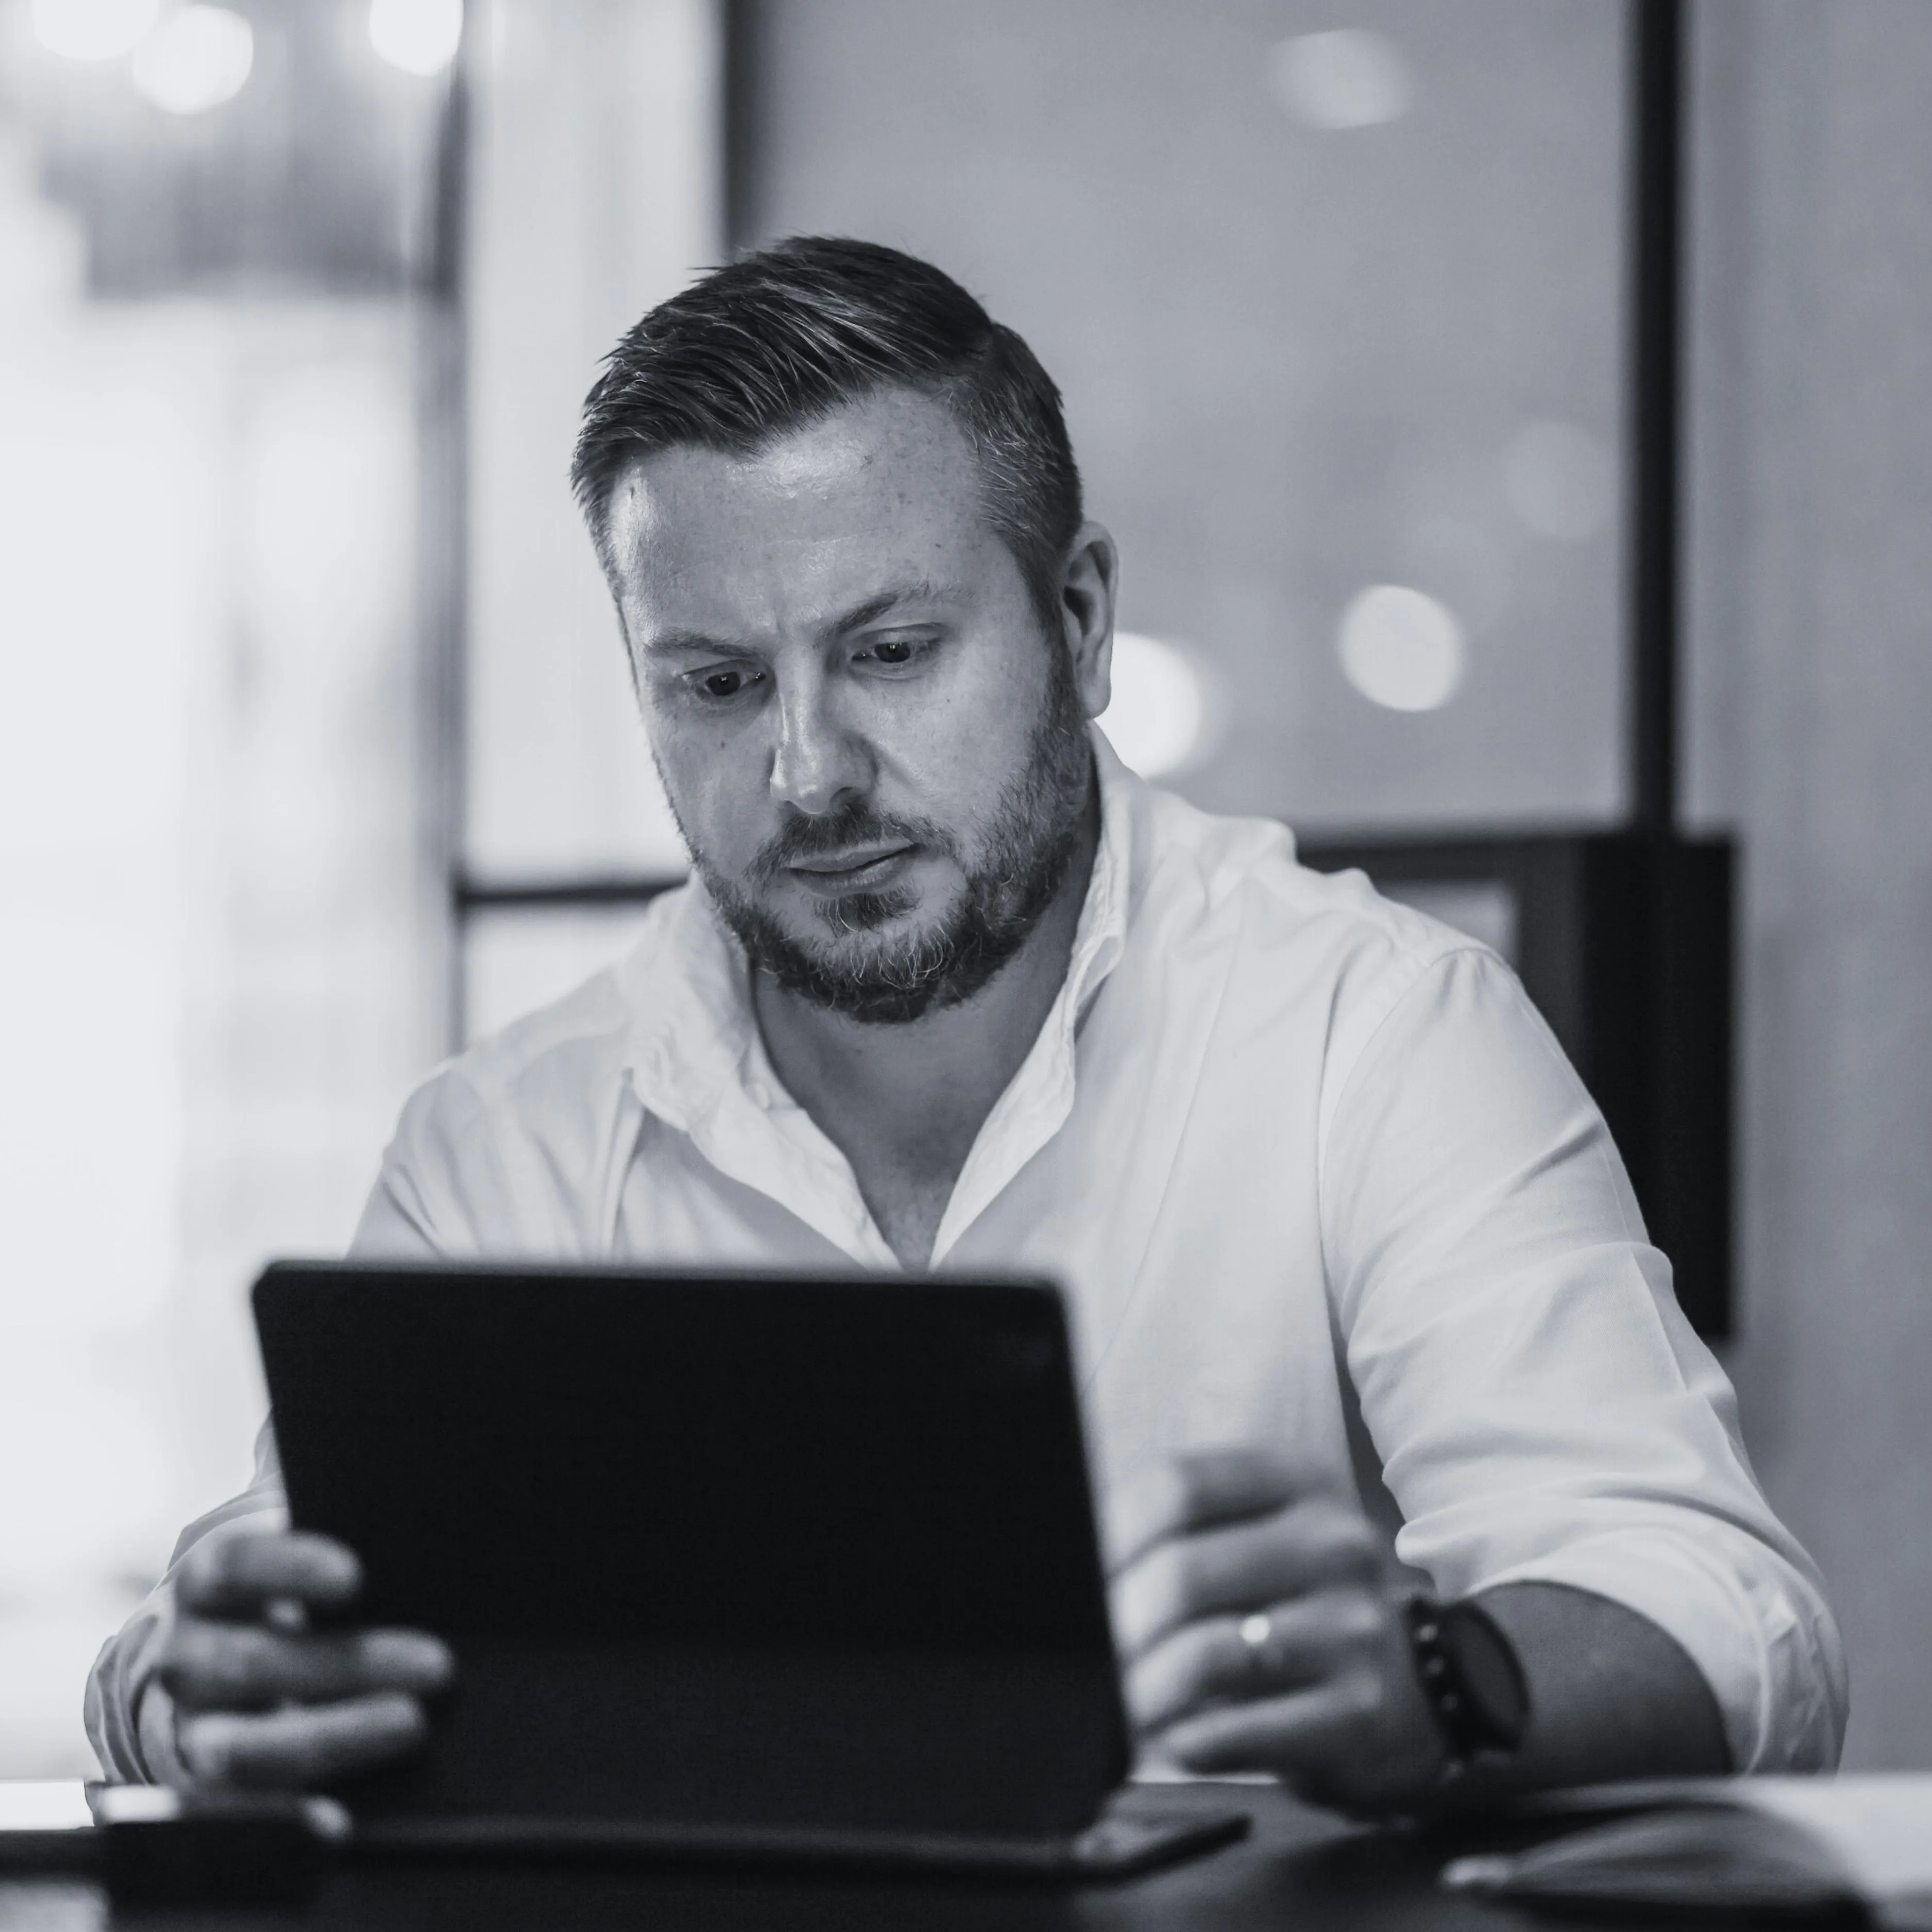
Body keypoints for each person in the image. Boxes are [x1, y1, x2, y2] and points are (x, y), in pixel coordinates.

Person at [87, 238, 1845, 1815]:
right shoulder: (509, 1139)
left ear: (1075, 623)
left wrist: (1443, 1688)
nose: (807, 772)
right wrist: (208, 1696)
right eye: (713, 683)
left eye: (893, 651)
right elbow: (219, 1625)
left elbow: (1718, 1612)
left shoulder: (1367, 1033)